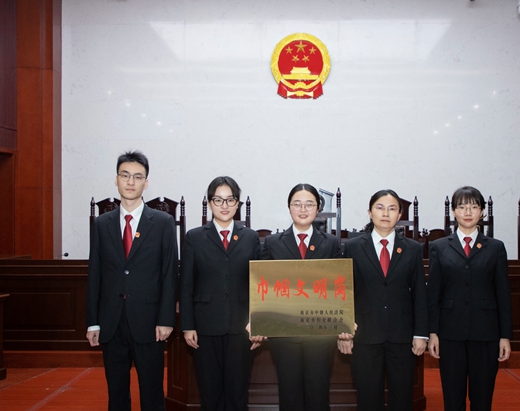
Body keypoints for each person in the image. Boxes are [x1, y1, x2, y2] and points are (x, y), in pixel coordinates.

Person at [86, 150, 178, 411]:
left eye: (138, 177)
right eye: (125, 175)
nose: (130, 181)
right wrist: (93, 321)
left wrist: (166, 319)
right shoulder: (102, 224)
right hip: (111, 321)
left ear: (146, 183)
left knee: (152, 393)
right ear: (116, 179)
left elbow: (169, 273)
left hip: (149, 322)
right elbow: (95, 274)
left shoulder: (163, 222)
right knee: (116, 393)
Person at [338, 189, 428, 411]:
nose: (385, 213)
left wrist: (420, 334)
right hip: (365, 335)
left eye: (392, 209)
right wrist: (344, 331)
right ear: (370, 212)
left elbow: (419, 294)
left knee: (402, 398)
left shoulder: (412, 249)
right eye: (380, 207)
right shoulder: (352, 247)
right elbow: (344, 292)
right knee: (368, 398)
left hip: (402, 336)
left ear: (399, 215)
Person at [427, 186, 512, 411]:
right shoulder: (438, 247)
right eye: (462, 207)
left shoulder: (495, 247)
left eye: (474, 207)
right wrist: (432, 332)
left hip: (486, 332)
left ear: (482, 212)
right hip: (449, 332)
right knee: (452, 397)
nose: (468, 212)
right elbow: (433, 293)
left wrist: (505, 335)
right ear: (453, 211)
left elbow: (503, 293)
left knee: (482, 397)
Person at [180, 176, 261, 411]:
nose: (224, 205)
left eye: (230, 200)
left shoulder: (250, 237)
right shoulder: (194, 237)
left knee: (237, 393)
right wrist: (187, 326)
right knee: (210, 393)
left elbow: (258, 285)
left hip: (241, 327)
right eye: (218, 200)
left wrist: (258, 323)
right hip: (205, 327)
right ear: (209, 203)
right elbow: (186, 285)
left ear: (237, 204)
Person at [260, 183, 342, 411]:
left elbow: (339, 286)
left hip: (320, 332)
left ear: (318, 209)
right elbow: (263, 286)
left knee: (318, 392)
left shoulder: (331, 243)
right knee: (290, 393)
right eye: (297, 204)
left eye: (309, 204)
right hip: (284, 333)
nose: (303, 209)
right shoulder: (272, 243)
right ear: (289, 207)